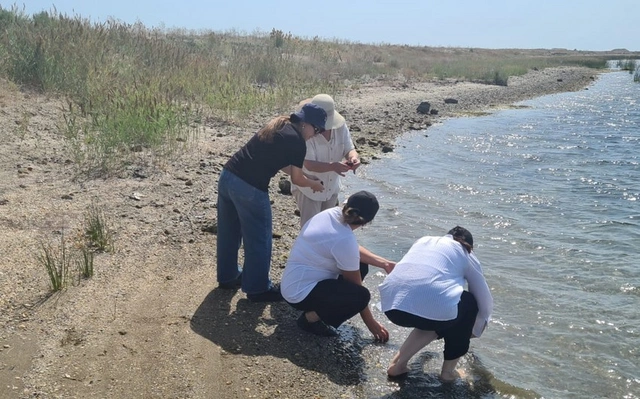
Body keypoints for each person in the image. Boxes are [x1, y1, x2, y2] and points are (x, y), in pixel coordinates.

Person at [216, 103, 327, 302]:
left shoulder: (279, 125)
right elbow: (297, 180)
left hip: (228, 177)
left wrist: (308, 176)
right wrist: (314, 185)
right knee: (260, 239)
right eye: (316, 129)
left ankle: (228, 276)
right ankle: (257, 288)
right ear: (306, 124)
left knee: (229, 232)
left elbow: (281, 163)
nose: (315, 135)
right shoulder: (298, 142)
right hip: (250, 188)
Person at [378, 226, 493, 381]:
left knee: (436, 306)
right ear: (468, 246)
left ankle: (397, 365)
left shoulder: (424, 240)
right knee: (468, 303)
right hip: (427, 311)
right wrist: (475, 331)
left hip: (392, 307)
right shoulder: (466, 252)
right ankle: (448, 373)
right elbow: (484, 302)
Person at [281, 190, 395, 340]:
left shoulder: (330, 214)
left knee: (361, 266)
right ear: (366, 222)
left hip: (292, 283)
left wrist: (384, 263)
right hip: (299, 295)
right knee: (361, 296)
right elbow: (356, 289)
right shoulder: (344, 239)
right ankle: (310, 319)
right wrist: (371, 324)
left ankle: (319, 308)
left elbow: (348, 249)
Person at [290, 94, 361, 228]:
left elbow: (349, 148)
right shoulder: (306, 131)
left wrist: (353, 157)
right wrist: (333, 166)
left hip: (331, 188)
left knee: (327, 228)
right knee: (310, 229)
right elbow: (308, 164)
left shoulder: (340, 127)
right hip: (309, 189)